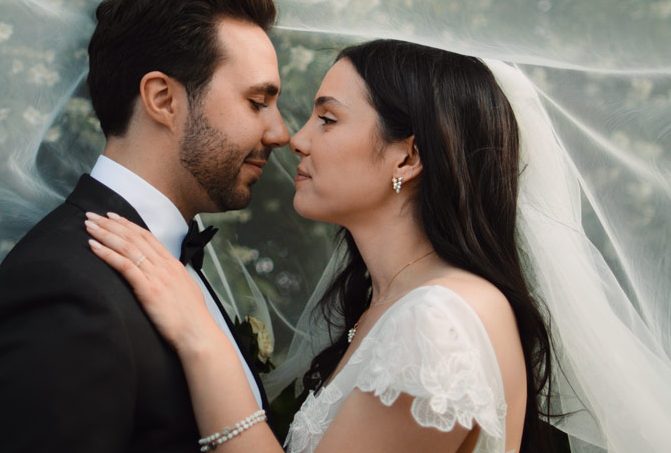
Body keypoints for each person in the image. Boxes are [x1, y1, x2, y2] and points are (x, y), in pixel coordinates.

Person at [84, 39, 556, 453]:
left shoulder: (437, 322)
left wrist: (200, 338)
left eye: (327, 119)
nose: (297, 139)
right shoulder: (395, 299)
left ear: (408, 156)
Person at [0, 0, 290, 452]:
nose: (281, 132)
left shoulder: (168, 259)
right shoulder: (62, 290)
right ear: (163, 99)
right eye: (257, 102)